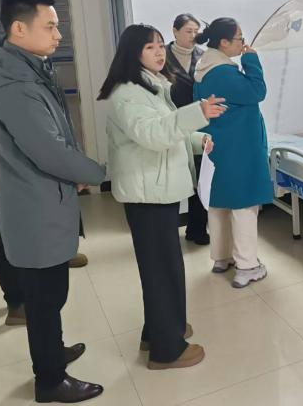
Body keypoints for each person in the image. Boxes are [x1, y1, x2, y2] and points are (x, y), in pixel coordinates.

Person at [0, 0, 106, 403]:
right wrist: (97, 173)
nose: (58, 35)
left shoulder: (29, 70)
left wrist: (76, 172)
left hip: (39, 201)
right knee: (43, 298)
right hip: (33, 208)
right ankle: (50, 380)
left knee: (50, 295)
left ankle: (52, 352)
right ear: (19, 29)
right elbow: (49, 151)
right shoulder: (16, 86)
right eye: (50, 26)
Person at [98, 24, 226, 370]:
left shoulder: (150, 86)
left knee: (163, 267)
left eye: (159, 46)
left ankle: (157, 331)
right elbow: (153, 135)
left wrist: (198, 139)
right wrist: (198, 113)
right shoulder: (128, 93)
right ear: (133, 53)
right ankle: (166, 350)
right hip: (147, 195)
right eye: (150, 47)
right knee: (161, 271)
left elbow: (166, 129)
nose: (159, 52)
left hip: (156, 189)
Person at [193, 18, 272, 288]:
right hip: (240, 147)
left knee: (220, 203)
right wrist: (252, 60)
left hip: (219, 145)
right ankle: (247, 266)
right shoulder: (224, 73)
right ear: (224, 42)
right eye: (239, 38)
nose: (242, 43)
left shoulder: (204, 69)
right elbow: (257, 91)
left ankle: (221, 257)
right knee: (244, 204)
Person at [165, 13, 209, 245]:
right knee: (173, 175)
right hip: (171, 123)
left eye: (195, 31)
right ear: (175, 31)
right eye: (188, 31)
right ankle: (167, 233)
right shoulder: (162, 56)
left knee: (200, 176)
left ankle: (197, 229)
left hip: (198, 123)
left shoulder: (203, 56)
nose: (193, 35)